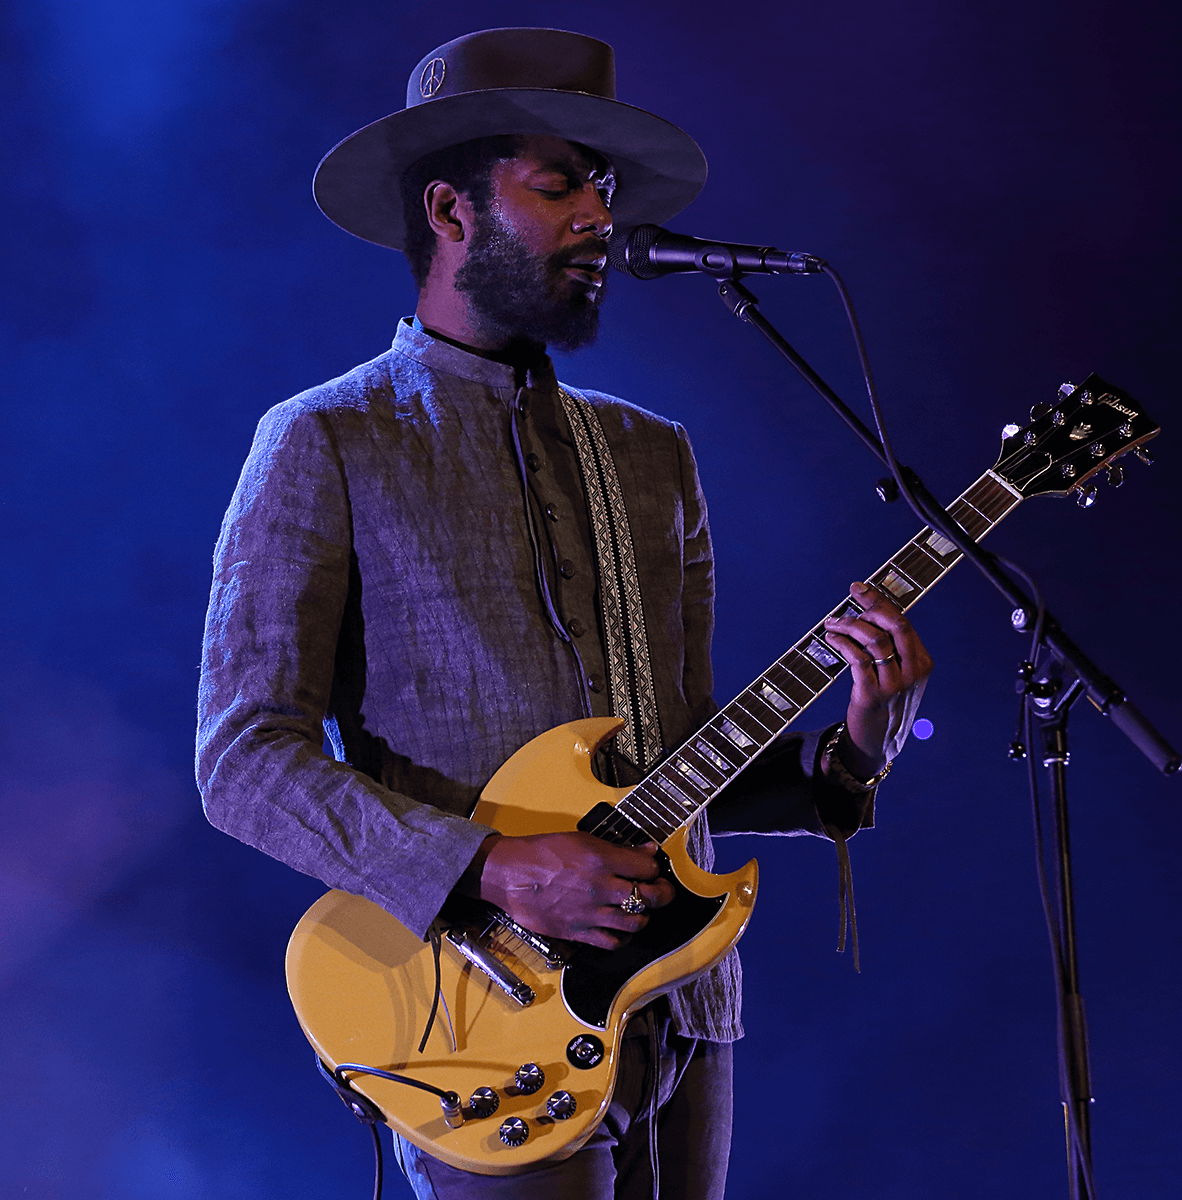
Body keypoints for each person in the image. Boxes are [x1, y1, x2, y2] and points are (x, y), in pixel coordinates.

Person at [196, 27, 932, 1200]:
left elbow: (679, 753)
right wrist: (491, 866)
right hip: (478, 1002)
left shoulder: (653, 454)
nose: (599, 214)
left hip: (684, 999)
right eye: (560, 184)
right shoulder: (326, 441)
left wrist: (853, 751)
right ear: (450, 211)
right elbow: (242, 761)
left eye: (605, 186)